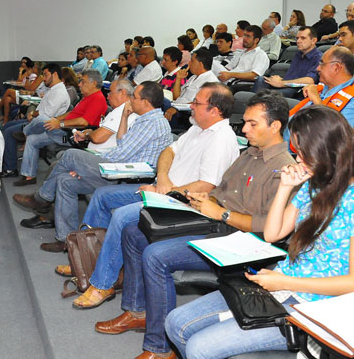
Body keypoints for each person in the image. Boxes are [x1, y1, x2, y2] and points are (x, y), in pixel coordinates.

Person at [101, 91, 296, 359]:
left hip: (241, 241)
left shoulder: (284, 169)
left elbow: (267, 229)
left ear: (275, 126)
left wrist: (220, 212)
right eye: (246, 122)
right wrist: (207, 198)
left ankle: (159, 347)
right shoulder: (250, 153)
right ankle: (137, 311)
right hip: (214, 220)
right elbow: (223, 189)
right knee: (134, 232)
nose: (245, 129)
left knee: (156, 256)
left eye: (253, 124)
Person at [166, 106, 354, 359]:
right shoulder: (316, 183)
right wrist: (286, 188)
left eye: (303, 153)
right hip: (282, 285)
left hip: (315, 305)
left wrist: (285, 282)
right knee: (176, 322)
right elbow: (272, 234)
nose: (297, 160)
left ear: (327, 150)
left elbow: (351, 283)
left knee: (201, 347)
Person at [65, 83, 238, 309]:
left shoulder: (221, 139)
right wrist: (163, 179)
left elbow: (206, 185)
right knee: (103, 195)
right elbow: (168, 151)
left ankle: (102, 283)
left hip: (184, 204)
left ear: (214, 110)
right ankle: (88, 261)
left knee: (122, 217)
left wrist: (167, 191)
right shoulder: (197, 128)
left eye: (197, 103)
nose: (191, 106)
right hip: (163, 191)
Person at [14, 81, 172, 253]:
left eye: (134, 97)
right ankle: (65, 240)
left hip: (126, 175)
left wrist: (84, 165)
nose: (131, 99)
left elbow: (121, 154)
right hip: (119, 168)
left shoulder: (152, 123)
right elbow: (122, 143)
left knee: (70, 155)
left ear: (145, 102)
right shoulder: (145, 120)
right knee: (64, 180)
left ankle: (41, 198)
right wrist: (125, 117)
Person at [14, 69, 107, 186]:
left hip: (74, 135)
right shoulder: (87, 97)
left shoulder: (97, 98)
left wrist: (60, 124)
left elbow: (84, 122)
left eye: (83, 82)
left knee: (42, 118)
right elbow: (72, 113)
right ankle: (29, 176)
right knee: (32, 140)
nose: (79, 84)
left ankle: (24, 133)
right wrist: (57, 119)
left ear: (93, 83)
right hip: (63, 130)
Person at [1, 63, 71, 177]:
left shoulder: (59, 92)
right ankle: (7, 161)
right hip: (36, 121)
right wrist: (32, 114)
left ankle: (10, 168)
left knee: (9, 132)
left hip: (46, 126)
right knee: (7, 126)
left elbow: (47, 114)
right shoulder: (52, 89)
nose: (43, 78)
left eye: (45, 75)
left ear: (55, 74)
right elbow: (42, 108)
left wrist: (33, 114)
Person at [287, 45, 354, 128]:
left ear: (336, 68)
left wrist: (316, 99)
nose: (317, 68)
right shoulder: (324, 86)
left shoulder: (352, 99)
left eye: (322, 63)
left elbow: (340, 135)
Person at [253, 26, 322, 97]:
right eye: (297, 38)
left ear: (313, 41)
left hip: (298, 89)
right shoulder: (299, 54)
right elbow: (292, 77)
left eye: (303, 38)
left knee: (272, 94)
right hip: (286, 84)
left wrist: (282, 83)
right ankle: (254, 105)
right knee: (261, 79)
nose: (298, 41)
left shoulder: (318, 58)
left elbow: (310, 80)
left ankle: (261, 105)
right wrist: (279, 80)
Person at [164, 48, 218, 128]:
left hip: (185, 115)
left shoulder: (211, 81)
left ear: (200, 64)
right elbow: (176, 97)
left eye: (192, 61)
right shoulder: (193, 77)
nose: (189, 63)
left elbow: (201, 104)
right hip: (175, 108)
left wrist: (176, 109)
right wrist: (178, 79)